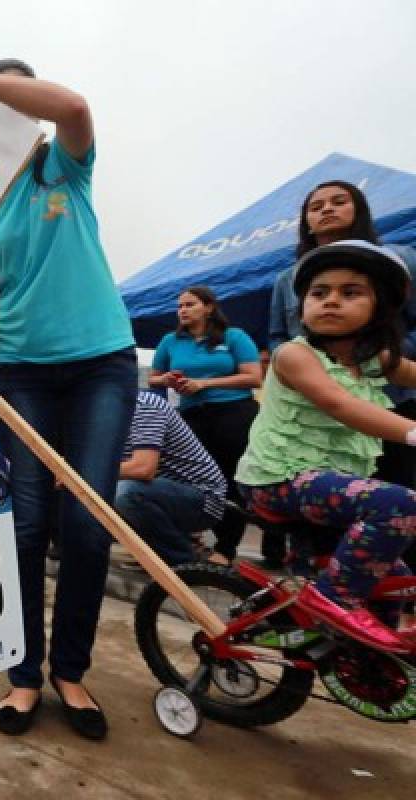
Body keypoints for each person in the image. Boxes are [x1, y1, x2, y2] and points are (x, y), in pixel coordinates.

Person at [0, 50, 137, 742]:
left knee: (86, 524)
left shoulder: (64, 168)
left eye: (16, 103)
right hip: (23, 377)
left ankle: (72, 671)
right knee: (22, 527)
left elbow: (73, 108)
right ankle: (24, 676)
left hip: (101, 365)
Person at [237, 240, 416, 653]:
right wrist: (411, 431)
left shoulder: (376, 358)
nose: (331, 301)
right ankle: (334, 598)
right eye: (319, 293)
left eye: (350, 292)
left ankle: (357, 659)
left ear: (381, 308)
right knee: (401, 505)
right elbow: (340, 404)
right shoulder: (293, 355)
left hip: (327, 486)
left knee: (394, 577)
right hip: (277, 479)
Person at [268, 181, 416, 493]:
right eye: (316, 206)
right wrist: (302, 368)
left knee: (398, 490)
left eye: (338, 201)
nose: (327, 210)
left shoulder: (400, 260)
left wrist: (382, 352)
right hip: (314, 418)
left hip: (392, 400)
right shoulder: (287, 278)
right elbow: (278, 335)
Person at [150, 287, 261, 565]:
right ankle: (188, 540)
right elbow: (153, 378)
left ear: (209, 307)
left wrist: (205, 383)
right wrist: (168, 380)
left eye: (190, 304)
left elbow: (253, 377)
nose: (183, 310)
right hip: (191, 415)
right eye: (180, 306)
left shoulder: (234, 337)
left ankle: (226, 548)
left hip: (233, 412)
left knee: (231, 477)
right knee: (185, 476)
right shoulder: (171, 341)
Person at [114, 391, 226, 566]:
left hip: (202, 498)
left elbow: (143, 468)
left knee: (124, 493)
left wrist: (87, 472)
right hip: (163, 492)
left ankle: (186, 560)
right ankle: (157, 550)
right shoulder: (104, 413)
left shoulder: (143, 405)